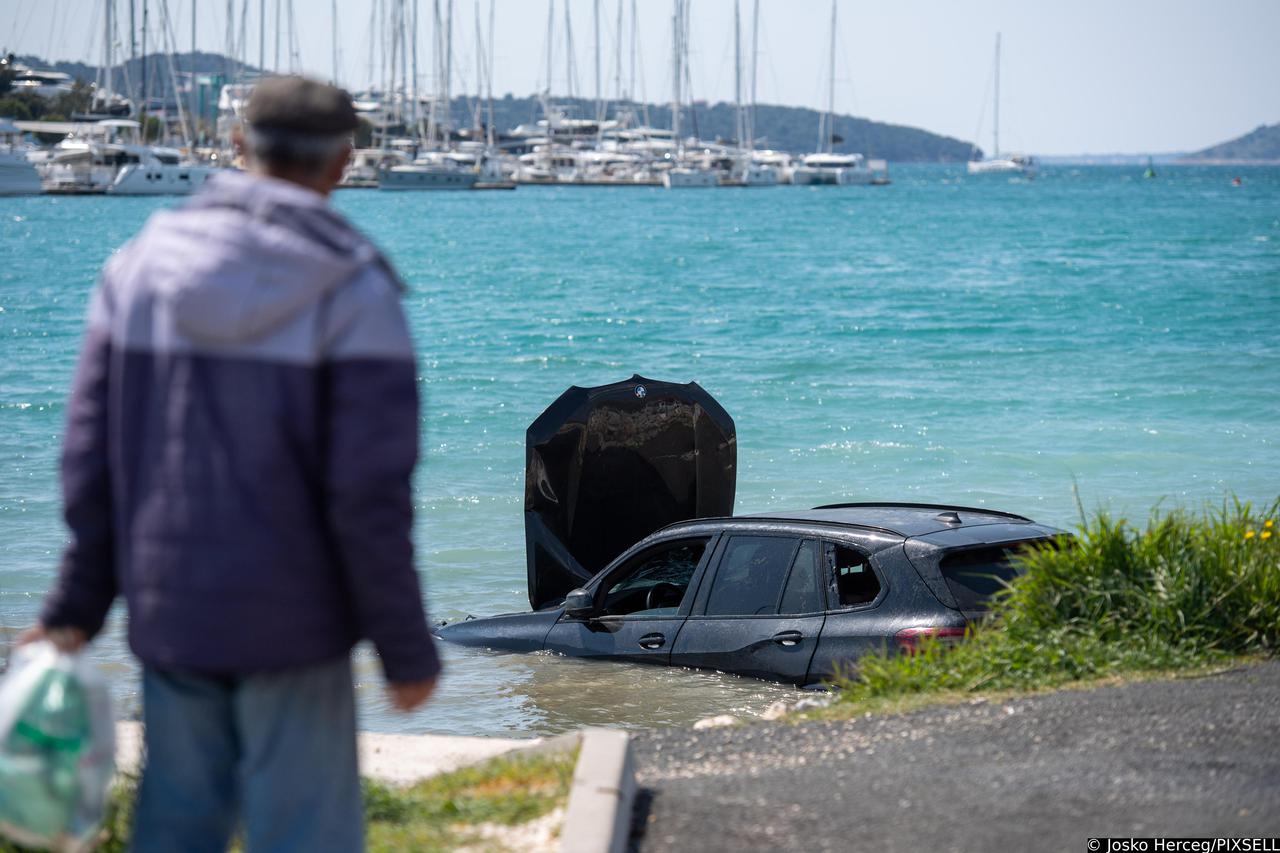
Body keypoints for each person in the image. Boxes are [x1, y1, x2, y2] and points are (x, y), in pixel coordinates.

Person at [21, 76, 440, 852]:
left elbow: (89, 457)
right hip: (298, 624)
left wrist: (77, 605)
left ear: (239, 146)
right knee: (304, 833)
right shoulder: (354, 289)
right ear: (344, 162)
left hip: (171, 608)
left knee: (176, 828)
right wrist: (404, 646)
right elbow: (368, 494)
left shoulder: (139, 267)